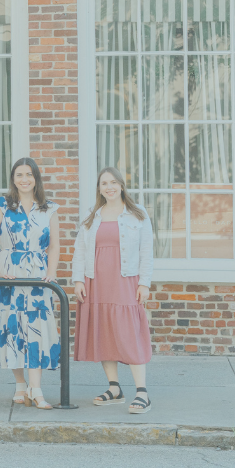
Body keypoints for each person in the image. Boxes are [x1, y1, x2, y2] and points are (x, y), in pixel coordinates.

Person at [0, 157, 61, 409]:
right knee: (11, 327)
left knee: (36, 328)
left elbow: (56, 245)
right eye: (19, 175)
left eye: (29, 174)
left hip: (37, 274)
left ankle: (36, 389)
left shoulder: (49, 208)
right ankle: (19, 384)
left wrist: (51, 272)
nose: (24, 179)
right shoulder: (1, 206)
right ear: (13, 179)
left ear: (36, 178)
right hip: (8, 271)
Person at [73, 167, 155, 414]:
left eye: (112, 182)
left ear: (121, 185)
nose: (108, 187)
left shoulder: (137, 214)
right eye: (103, 183)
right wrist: (78, 280)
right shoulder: (92, 216)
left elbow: (146, 251)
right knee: (104, 330)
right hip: (96, 281)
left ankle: (142, 392)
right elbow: (80, 250)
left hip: (125, 280)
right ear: (99, 189)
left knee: (129, 331)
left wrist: (144, 283)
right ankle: (114, 388)